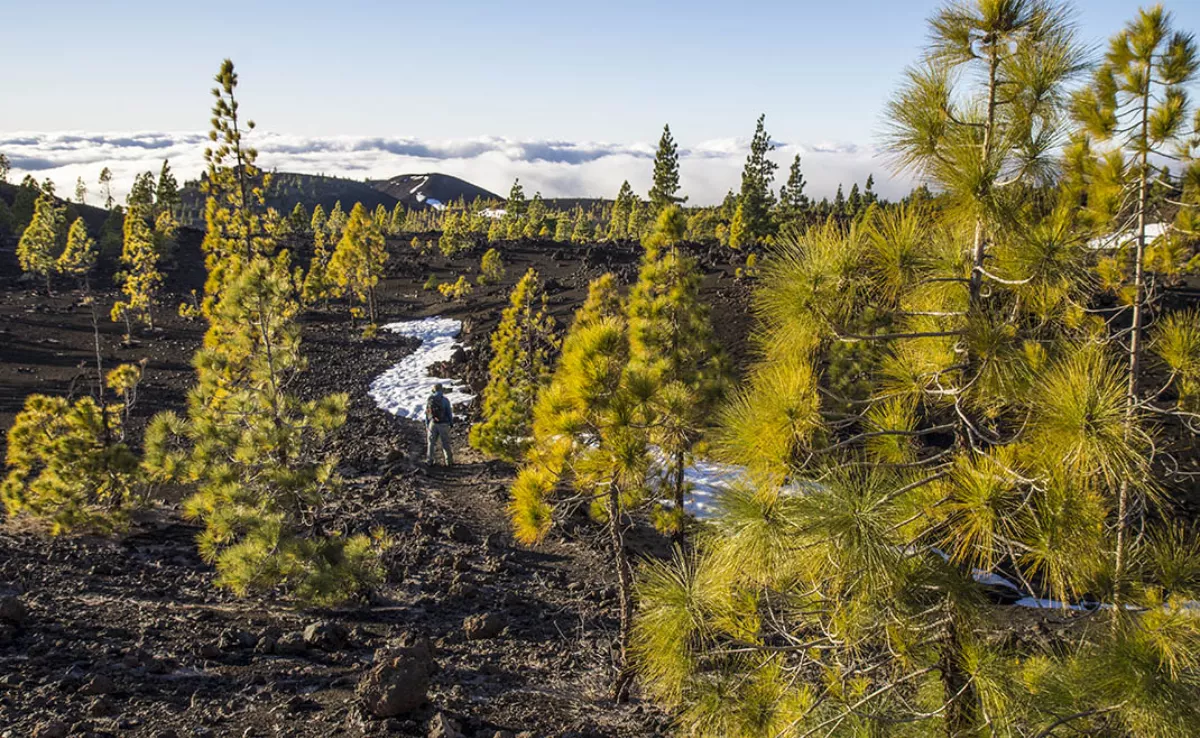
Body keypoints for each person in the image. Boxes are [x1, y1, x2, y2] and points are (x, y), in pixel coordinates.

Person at [425, 383, 454, 466]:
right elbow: (449, 412)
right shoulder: (445, 400)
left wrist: (427, 424)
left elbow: (427, 413)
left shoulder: (430, 399)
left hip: (433, 423)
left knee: (431, 443)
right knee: (445, 443)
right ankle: (449, 462)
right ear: (441, 390)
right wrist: (451, 423)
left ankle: (429, 461)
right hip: (443, 424)